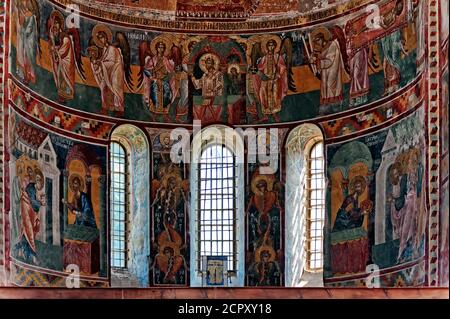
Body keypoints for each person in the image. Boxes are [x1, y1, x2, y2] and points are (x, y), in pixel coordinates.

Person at [388, 151, 423, 263]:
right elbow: (403, 196)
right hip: (408, 204)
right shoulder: (405, 178)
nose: (411, 163)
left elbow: (417, 189)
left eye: (413, 160)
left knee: (409, 227)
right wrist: (394, 201)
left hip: (413, 203)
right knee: (407, 227)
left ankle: (408, 250)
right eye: (410, 161)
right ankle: (405, 251)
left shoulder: (416, 172)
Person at [310, 27, 346, 114]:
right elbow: (322, 57)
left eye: (317, 41)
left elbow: (329, 61)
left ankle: (335, 106)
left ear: (322, 39)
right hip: (326, 73)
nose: (317, 44)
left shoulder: (333, 45)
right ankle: (326, 106)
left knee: (331, 87)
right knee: (325, 89)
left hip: (332, 72)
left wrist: (317, 61)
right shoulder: (325, 46)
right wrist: (315, 58)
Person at [90, 26, 125, 114]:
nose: (101, 40)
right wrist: (97, 63)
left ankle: (118, 108)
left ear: (106, 38)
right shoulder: (105, 49)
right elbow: (104, 61)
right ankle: (105, 107)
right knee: (103, 86)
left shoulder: (112, 49)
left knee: (115, 88)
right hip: (107, 73)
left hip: (115, 72)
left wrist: (100, 63)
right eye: (99, 38)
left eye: (102, 37)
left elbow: (112, 62)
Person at [251, 39, 288, 116]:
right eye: (269, 45)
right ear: (267, 47)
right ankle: (265, 110)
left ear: (275, 46)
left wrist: (278, 74)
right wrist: (258, 71)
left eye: (272, 45)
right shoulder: (264, 57)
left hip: (274, 79)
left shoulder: (277, 56)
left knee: (275, 94)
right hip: (265, 78)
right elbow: (260, 67)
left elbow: (282, 67)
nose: (271, 47)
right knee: (262, 92)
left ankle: (275, 111)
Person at [49, 11, 76, 102]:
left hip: (66, 62)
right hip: (60, 62)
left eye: (56, 23)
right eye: (53, 23)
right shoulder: (56, 36)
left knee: (64, 78)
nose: (54, 25)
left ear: (60, 24)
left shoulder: (65, 37)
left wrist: (55, 51)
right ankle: (61, 95)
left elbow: (63, 50)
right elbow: (55, 47)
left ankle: (67, 94)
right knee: (60, 78)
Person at [143, 41, 177, 114]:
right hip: (155, 80)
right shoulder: (153, 59)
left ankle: (164, 109)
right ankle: (154, 109)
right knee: (154, 93)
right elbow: (146, 70)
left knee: (167, 94)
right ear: (156, 48)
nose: (161, 49)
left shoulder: (166, 60)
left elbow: (170, 71)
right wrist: (152, 77)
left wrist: (170, 74)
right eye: (159, 47)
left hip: (165, 80)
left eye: (162, 48)